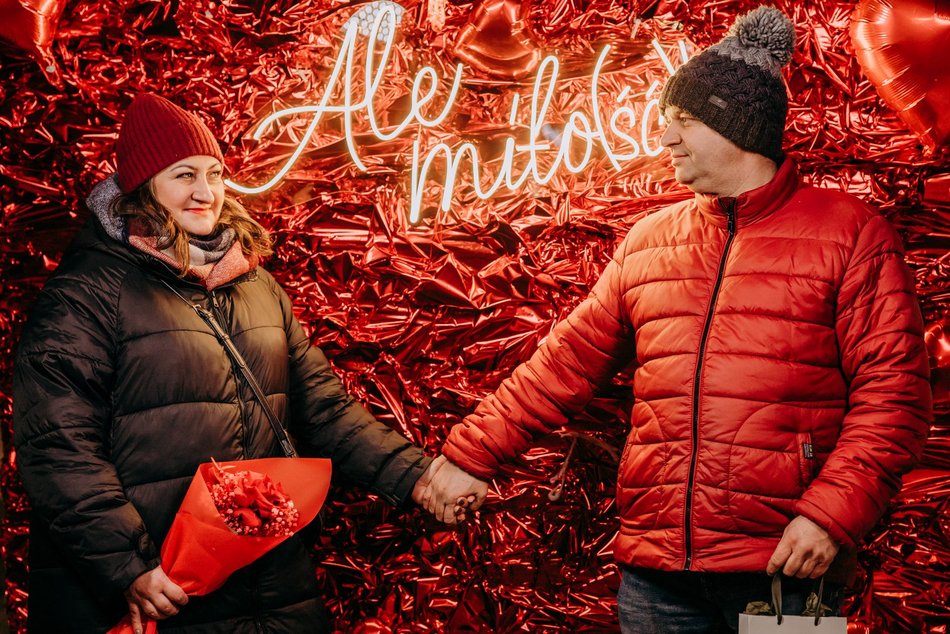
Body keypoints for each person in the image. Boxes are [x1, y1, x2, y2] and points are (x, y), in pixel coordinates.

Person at [425, 6, 933, 633]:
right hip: (658, 571)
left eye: (684, 120)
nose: (665, 137)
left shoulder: (849, 233)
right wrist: (470, 456)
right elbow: (563, 364)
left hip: (785, 573)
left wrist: (830, 516)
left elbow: (895, 397)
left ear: (738, 125)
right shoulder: (650, 241)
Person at [11, 93, 477, 634]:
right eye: (184, 175)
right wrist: (127, 566)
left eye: (214, 173)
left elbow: (322, 406)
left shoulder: (256, 285)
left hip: (270, 582)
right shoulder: (88, 293)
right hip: (161, 593)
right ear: (144, 186)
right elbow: (57, 446)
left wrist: (420, 476)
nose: (205, 192)